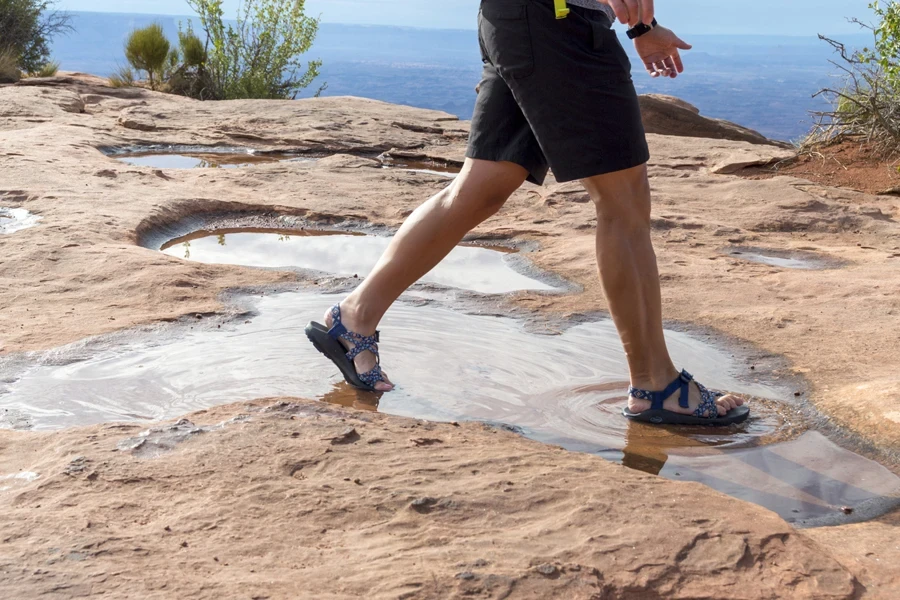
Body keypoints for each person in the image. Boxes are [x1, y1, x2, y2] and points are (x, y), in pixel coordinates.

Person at [306, 0, 749, 426]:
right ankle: (657, 385)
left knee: (482, 186)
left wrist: (643, 28)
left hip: (524, 20)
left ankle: (353, 317)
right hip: (555, 25)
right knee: (624, 202)